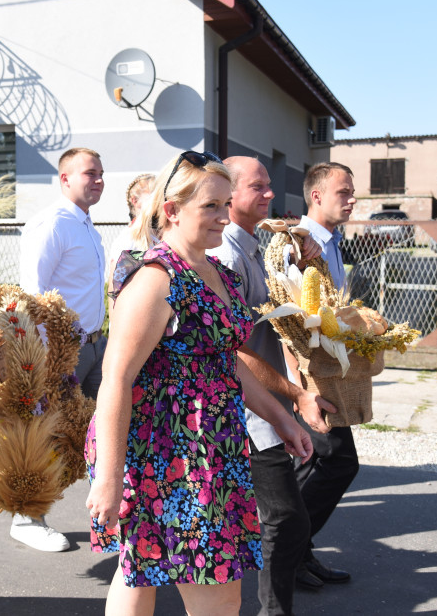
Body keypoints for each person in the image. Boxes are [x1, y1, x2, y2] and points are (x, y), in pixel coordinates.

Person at [84, 151, 311, 616]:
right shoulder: (155, 279)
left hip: (211, 448)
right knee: (214, 590)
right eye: (211, 206)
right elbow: (115, 379)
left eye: (227, 204)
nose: (225, 217)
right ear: (171, 210)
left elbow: (223, 363)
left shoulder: (218, 273)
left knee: (140, 572)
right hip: (161, 454)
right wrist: (108, 479)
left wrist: (278, 418)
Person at [208, 157, 337, 615]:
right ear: (229, 194)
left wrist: (303, 267)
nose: (269, 195)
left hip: (264, 407)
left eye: (269, 186)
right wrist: (294, 397)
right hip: (247, 410)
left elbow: (277, 325)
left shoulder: (255, 246)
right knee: (283, 518)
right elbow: (238, 351)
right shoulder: (225, 254)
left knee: (279, 518)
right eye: (258, 187)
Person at [15, 146, 106, 552]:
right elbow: (32, 292)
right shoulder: (52, 223)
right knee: (49, 433)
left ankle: (108, 516)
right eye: (90, 173)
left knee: (96, 431)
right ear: (65, 178)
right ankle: (27, 517)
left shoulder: (87, 225)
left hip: (93, 344)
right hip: (61, 351)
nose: (98, 179)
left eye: (101, 173)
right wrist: (49, 355)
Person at [284, 162, 359, 589]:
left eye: (352, 193)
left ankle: (295, 551)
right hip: (308, 375)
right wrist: (297, 388)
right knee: (337, 462)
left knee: (309, 464)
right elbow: (287, 320)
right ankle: (288, 550)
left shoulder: (329, 242)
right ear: (316, 196)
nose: (351, 200)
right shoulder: (300, 243)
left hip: (328, 369)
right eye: (343, 192)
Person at [107, 173, 155, 281]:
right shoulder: (128, 239)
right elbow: (116, 285)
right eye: (153, 196)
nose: (159, 201)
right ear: (135, 201)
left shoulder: (161, 235)